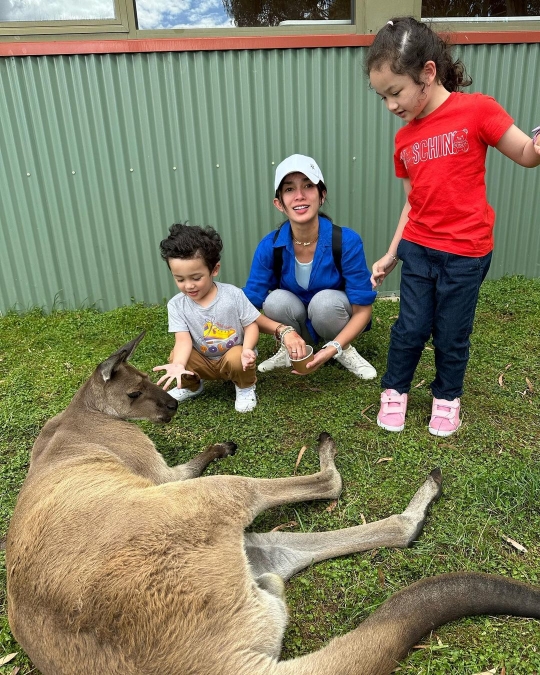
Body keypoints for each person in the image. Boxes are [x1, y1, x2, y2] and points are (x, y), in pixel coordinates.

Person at [366, 16, 540, 436]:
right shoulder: (405, 139)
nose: (391, 105)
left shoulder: (478, 110)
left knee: (451, 332)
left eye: (396, 92)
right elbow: (413, 202)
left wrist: (537, 143)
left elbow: (527, 154)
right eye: (382, 96)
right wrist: (392, 253)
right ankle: (395, 391)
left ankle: (446, 397)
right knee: (410, 326)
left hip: (467, 252)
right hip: (418, 249)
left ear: (428, 73)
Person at [243, 154, 377, 378]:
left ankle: (343, 349)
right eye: (289, 189)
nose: (299, 196)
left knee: (325, 302)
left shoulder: (346, 241)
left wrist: (333, 347)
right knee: (274, 300)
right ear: (279, 204)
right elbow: (248, 307)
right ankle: (291, 348)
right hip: (293, 320)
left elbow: (363, 310)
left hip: (332, 316)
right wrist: (282, 331)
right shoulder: (270, 246)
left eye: (308, 186)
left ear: (321, 195)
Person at [153, 223, 260, 413]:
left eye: (196, 278)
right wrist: (178, 364)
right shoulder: (177, 305)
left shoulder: (232, 295)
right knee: (176, 357)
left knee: (237, 357)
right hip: (203, 358)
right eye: (180, 279)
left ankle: (245, 386)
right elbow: (182, 341)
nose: (189, 286)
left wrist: (248, 349)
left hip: (234, 357)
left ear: (214, 269)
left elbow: (251, 325)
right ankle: (192, 386)